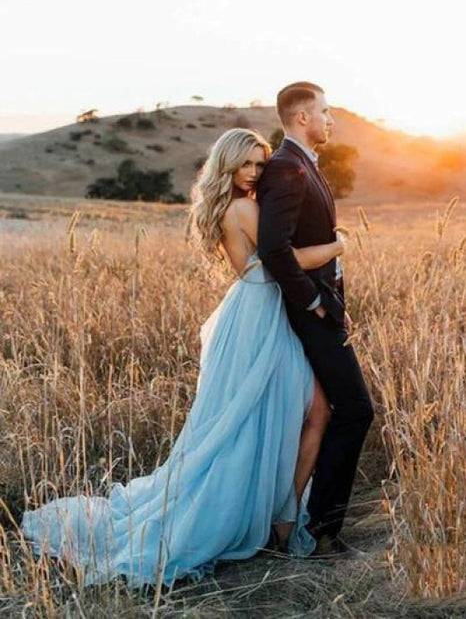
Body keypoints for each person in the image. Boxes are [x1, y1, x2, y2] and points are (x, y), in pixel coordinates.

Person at [21, 128, 345, 588]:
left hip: (253, 311)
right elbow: (285, 261)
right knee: (295, 414)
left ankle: (281, 516)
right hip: (259, 318)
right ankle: (282, 521)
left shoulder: (230, 205)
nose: (255, 172)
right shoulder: (245, 208)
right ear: (227, 165)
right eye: (246, 164)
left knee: (268, 416)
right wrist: (337, 245)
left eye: (260, 164)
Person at [257, 82, 374, 558]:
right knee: (357, 409)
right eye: (324, 111)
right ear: (302, 117)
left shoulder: (303, 162)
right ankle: (323, 531)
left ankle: (302, 523)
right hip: (311, 315)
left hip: (326, 308)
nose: (330, 120)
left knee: (322, 412)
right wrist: (313, 304)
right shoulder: (287, 167)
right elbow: (273, 250)